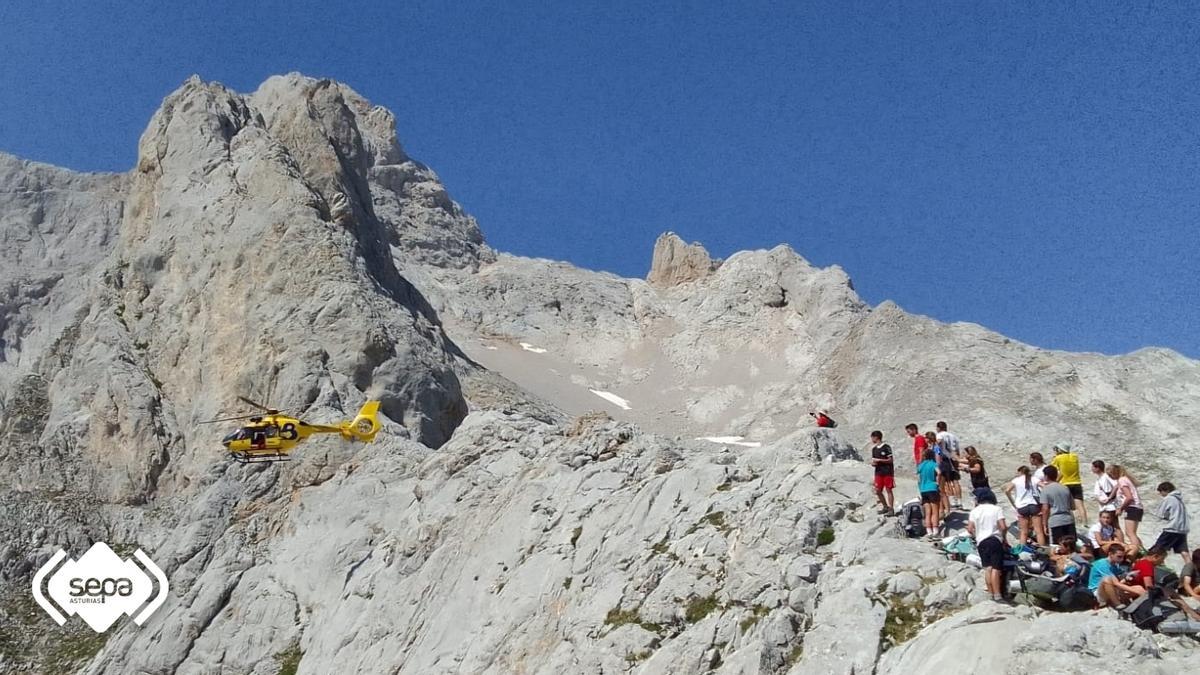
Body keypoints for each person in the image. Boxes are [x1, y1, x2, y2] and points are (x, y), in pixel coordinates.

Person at [966, 489, 1009, 603]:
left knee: (987, 568)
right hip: (994, 540)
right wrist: (1003, 538)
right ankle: (998, 595)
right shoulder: (997, 509)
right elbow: (1003, 527)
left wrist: (977, 536)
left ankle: (990, 594)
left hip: (981, 542)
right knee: (996, 568)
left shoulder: (974, 511)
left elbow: (969, 529)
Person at [1088, 544, 1141, 608]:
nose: (1121, 559)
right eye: (1119, 556)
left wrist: (1129, 575)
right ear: (1110, 554)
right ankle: (1117, 604)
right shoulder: (1102, 564)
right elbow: (1115, 583)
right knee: (1107, 579)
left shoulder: (1115, 565)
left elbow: (1120, 577)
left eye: (1123, 557)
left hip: (1112, 589)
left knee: (1138, 587)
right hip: (1098, 592)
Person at [1004, 465, 1046, 547]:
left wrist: (1013, 502)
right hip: (1034, 505)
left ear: (1020, 472)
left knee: (1024, 532)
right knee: (1039, 531)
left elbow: (1007, 490)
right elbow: (1044, 487)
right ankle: (1043, 550)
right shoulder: (1034, 479)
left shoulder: (1016, 480)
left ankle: (1022, 551)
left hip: (1021, 506)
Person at [1152, 481, 1190, 566]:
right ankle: (1191, 569)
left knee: (1158, 548)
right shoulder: (1180, 500)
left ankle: (1158, 565)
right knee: (1184, 552)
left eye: (1160, 492)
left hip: (1172, 528)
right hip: (1182, 530)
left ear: (1165, 490)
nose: (1161, 494)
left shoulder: (1168, 499)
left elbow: (1160, 514)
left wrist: (1166, 517)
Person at [1110, 465, 1144, 553]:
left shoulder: (1122, 480)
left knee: (1130, 533)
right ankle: (1141, 549)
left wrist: (1120, 508)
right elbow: (1116, 487)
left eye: (1110, 474)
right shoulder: (1124, 479)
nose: (1110, 477)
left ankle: (1135, 551)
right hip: (1137, 507)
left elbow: (1129, 497)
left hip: (1132, 507)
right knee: (1133, 533)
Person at [1050, 443, 1086, 522]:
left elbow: (1052, 469)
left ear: (1060, 450)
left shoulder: (1058, 458)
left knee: (1067, 506)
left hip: (1065, 483)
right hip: (1076, 482)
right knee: (1080, 505)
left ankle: (1071, 521)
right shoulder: (1074, 456)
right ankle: (1085, 522)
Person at [1041, 465, 1077, 545]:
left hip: (1055, 521)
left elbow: (1045, 509)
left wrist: (1044, 524)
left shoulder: (1046, 489)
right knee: (1071, 546)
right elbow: (1073, 506)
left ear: (1046, 476)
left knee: (1056, 547)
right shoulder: (1065, 488)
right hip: (1068, 519)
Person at [935, 422, 964, 509]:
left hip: (944, 459)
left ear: (939, 428)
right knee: (955, 480)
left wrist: (937, 454)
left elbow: (938, 444)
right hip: (953, 458)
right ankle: (959, 501)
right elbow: (957, 449)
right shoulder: (953, 436)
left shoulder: (939, 435)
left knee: (944, 481)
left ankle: (949, 501)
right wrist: (957, 460)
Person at [917, 448, 942, 539]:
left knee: (927, 512)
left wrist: (920, 487)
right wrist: (937, 482)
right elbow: (939, 472)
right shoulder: (933, 464)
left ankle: (929, 532)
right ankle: (935, 531)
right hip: (932, 488)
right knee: (935, 511)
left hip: (923, 490)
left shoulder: (921, 465)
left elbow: (919, 478)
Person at [928, 431, 956, 512]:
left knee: (941, 490)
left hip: (940, 469)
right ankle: (943, 508)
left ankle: (946, 509)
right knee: (939, 490)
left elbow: (938, 459)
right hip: (939, 468)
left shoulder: (936, 447)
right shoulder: (933, 447)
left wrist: (937, 470)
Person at [869, 430, 895, 515]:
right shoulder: (874, 449)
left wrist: (880, 460)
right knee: (877, 490)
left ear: (876, 437)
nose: (872, 439)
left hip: (887, 471)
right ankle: (885, 506)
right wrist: (874, 463)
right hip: (878, 472)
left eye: (872, 437)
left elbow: (890, 460)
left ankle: (891, 508)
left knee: (888, 489)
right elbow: (874, 461)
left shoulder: (886, 447)